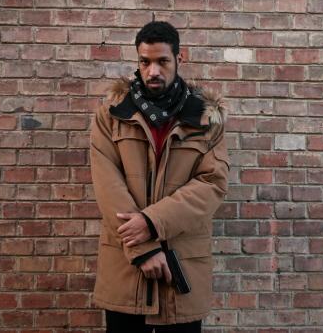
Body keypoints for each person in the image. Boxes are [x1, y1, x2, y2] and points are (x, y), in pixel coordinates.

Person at [89, 21, 229, 332]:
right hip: (127, 267)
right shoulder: (112, 115)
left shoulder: (207, 120)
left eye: (162, 61)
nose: (153, 71)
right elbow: (107, 184)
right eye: (145, 62)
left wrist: (152, 222)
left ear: (181, 58)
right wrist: (143, 249)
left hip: (182, 271)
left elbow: (211, 184)